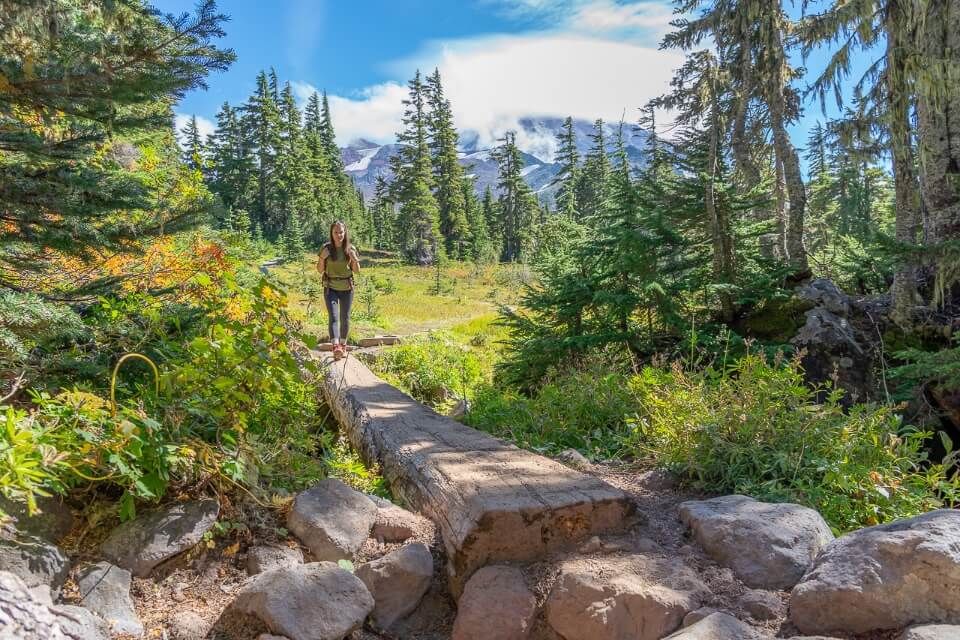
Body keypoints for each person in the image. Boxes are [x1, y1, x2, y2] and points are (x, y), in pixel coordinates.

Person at [317, 221, 360, 360]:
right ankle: (336, 347)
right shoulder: (326, 248)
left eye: (341, 232)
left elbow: (357, 271)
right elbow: (319, 270)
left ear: (345, 232)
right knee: (334, 317)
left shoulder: (350, 248)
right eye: (336, 232)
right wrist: (322, 257)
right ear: (331, 233)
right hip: (330, 287)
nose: (338, 235)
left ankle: (343, 345)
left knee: (345, 317)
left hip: (347, 288)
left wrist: (354, 260)